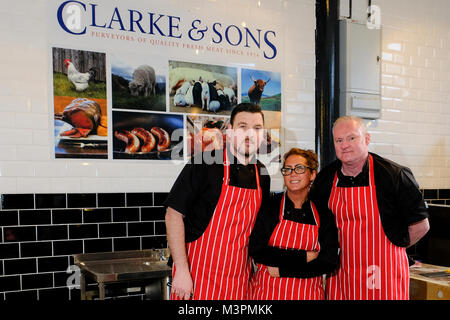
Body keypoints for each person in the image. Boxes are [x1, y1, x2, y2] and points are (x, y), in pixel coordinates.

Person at [311, 115, 429, 300]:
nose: (344, 145)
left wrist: (393, 249)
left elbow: (421, 225)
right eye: (339, 140)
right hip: (342, 273)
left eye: (352, 138)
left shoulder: (395, 175)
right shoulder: (326, 178)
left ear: (366, 139)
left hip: (384, 272)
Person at [164, 103, 271, 300]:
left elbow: (257, 233)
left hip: (239, 280)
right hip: (197, 276)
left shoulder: (262, 174)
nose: (250, 134)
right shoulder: (204, 162)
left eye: (256, 128)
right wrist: (181, 272)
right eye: (242, 126)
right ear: (230, 131)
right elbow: (173, 215)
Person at [249, 148, 339, 300]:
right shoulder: (270, 207)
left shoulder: (323, 214)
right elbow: (258, 250)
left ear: (312, 174)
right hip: (268, 294)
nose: (292, 174)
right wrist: (304, 256)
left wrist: (283, 270)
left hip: (308, 294)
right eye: (288, 169)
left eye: (299, 168)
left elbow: (328, 262)